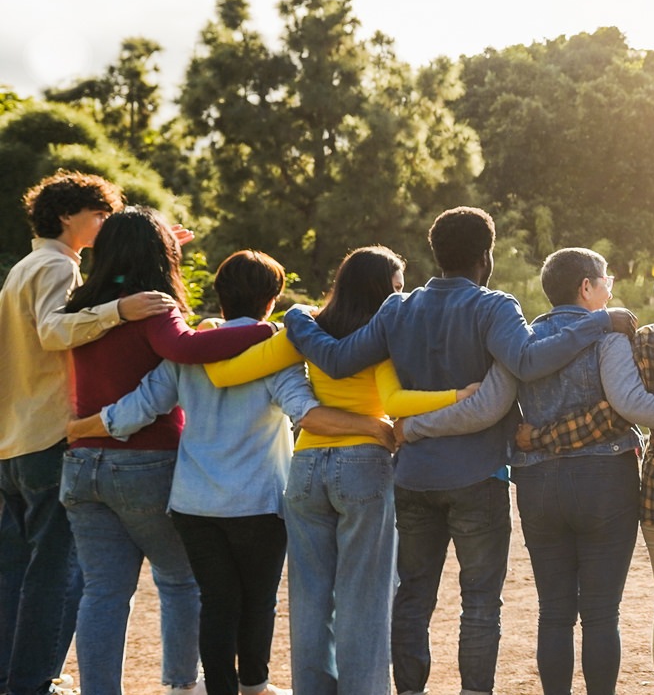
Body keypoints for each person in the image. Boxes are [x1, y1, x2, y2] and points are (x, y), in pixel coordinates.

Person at [280, 207, 625, 695]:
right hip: (478, 477)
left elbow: (337, 360)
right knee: (479, 602)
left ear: (435, 253)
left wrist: (297, 317)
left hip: (414, 477)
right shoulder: (495, 306)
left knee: (413, 596)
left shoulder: (397, 309)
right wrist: (598, 323)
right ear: (486, 256)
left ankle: (411, 690)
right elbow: (528, 361)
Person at [67, 250, 393, 695]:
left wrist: (78, 428)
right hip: (258, 501)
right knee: (258, 600)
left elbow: (137, 409)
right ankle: (254, 684)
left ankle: (220, 688)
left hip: (194, 502)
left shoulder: (189, 351)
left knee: (216, 601)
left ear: (220, 296)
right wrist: (376, 427)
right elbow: (307, 412)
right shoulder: (273, 354)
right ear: (271, 300)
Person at [411, 247, 654, 695]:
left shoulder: (522, 341)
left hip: (539, 484)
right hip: (604, 480)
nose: (610, 287)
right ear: (586, 287)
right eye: (606, 279)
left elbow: (490, 407)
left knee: (553, 612)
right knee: (600, 614)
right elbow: (631, 404)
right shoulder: (609, 334)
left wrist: (415, 426)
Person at [196, 246, 474, 694]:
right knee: (364, 598)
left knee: (310, 598)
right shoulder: (383, 336)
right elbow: (397, 402)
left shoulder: (307, 330)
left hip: (306, 468)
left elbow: (224, 374)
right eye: (397, 287)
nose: (400, 297)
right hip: (364, 465)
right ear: (379, 288)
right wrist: (457, 396)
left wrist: (206, 334)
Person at [58, 208, 275, 695]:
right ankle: (182, 685)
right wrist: (267, 332)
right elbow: (187, 349)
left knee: (103, 592)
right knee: (181, 579)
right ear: (160, 255)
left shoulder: (83, 306)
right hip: (143, 460)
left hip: (83, 463)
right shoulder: (154, 306)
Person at [0, 171, 174, 695]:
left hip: (13, 440)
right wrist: (120, 309)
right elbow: (54, 330)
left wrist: (156, 247)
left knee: (15, 571)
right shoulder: (58, 266)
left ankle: (12, 676)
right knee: (58, 573)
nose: (105, 223)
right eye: (99, 214)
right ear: (66, 216)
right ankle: (35, 682)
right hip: (51, 434)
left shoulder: (23, 267)